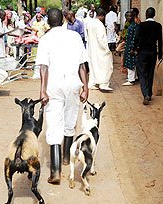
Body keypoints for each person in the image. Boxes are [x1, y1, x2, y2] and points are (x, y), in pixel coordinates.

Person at [36, 8, 88, 184]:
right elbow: (82, 65)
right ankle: (66, 158)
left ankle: (55, 171)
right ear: (64, 20)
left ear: (48, 23)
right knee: (71, 117)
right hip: (73, 82)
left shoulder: (45, 39)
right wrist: (86, 87)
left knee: (54, 121)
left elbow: (43, 67)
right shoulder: (74, 37)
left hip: (54, 84)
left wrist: (43, 90)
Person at [133, 7, 163, 105]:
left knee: (142, 73)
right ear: (154, 15)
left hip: (142, 52)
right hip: (153, 52)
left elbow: (136, 38)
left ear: (146, 14)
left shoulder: (141, 25)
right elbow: (160, 40)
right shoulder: (158, 26)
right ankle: (149, 94)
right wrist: (160, 54)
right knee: (150, 73)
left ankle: (145, 93)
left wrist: (134, 49)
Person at [87, 8, 114, 91]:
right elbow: (101, 39)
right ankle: (103, 84)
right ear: (102, 16)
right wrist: (106, 49)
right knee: (105, 66)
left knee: (93, 66)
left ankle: (92, 83)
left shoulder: (90, 23)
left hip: (92, 49)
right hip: (100, 50)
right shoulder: (99, 25)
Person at [122, 10, 138, 86]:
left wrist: (133, 48)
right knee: (130, 62)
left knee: (131, 62)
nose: (128, 17)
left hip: (131, 47)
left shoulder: (134, 26)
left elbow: (135, 38)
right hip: (128, 46)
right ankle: (133, 77)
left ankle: (131, 80)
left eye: (129, 16)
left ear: (133, 16)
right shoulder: (130, 25)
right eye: (127, 16)